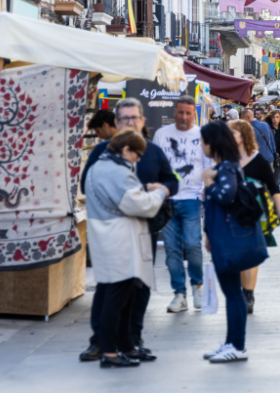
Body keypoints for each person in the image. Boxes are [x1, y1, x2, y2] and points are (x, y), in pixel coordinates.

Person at [81, 99, 179, 363]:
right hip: (120, 232)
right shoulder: (103, 152)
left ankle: (132, 341)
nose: (129, 123)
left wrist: (163, 187)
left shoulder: (154, 151)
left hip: (144, 230)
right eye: (124, 119)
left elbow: (172, 181)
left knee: (138, 288)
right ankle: (101, 343)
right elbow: (89, 185)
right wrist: (143, 196)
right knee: (112, 290)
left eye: (133, 118)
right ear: (116, 123)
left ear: (142, 120)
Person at [153, 96, 214, 313]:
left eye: (188, 113)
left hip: (191, 198)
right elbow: (155, 163)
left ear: (194, 114)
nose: (184, 117)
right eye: (180, 112)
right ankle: (179, 294)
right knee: (171, 250)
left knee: (192, 245)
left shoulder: (202, 135)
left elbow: (210, 165)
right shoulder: (162, 134)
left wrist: (208, 186)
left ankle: (197, 286)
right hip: (167, 199)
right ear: (174, 112)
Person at [199, 122, 254, 363]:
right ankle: (232, 342)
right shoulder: (224, 167)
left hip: (229, 239)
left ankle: (238, 345)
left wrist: (209, 183)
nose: (201, 146)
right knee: (232, 293)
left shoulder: (226, 168)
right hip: (222, 236)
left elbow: (226, 196)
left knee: (233, 293)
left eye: (203, 141)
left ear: (213, 143)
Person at [229, 119, 280, 313]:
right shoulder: (224, 159)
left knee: (249, 253)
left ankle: (248, 293)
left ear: (244, 136)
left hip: (254, 211)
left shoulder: (257, 160)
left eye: (234, 133)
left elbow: (273, 188)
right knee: (238, 255)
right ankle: (243, 289)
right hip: (230, 212)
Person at [267, 109, 280, 184]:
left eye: (277, 117)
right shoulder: (267, 128)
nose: (275, 119)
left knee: (276, 176)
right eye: (273, 117)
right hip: (269, 156)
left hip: (279, 156)